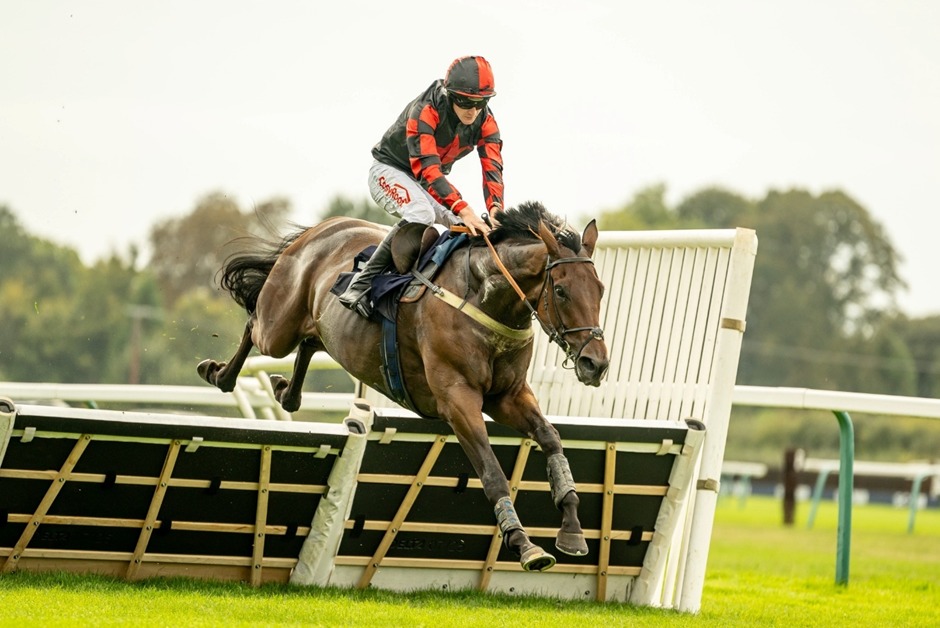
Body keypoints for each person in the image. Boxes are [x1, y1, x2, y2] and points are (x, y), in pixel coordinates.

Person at [338, 55, 504, 317]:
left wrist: (495, 209)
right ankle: (359, 285)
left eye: (480, 102)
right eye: (464, 101)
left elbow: (492, 168)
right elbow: (427, 169)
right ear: (450, 95)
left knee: (464, 227)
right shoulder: (426, 110)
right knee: (422, 213)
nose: (472, 110)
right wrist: (464, 207)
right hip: (390, 170)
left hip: (425, 182)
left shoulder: (486, 121)